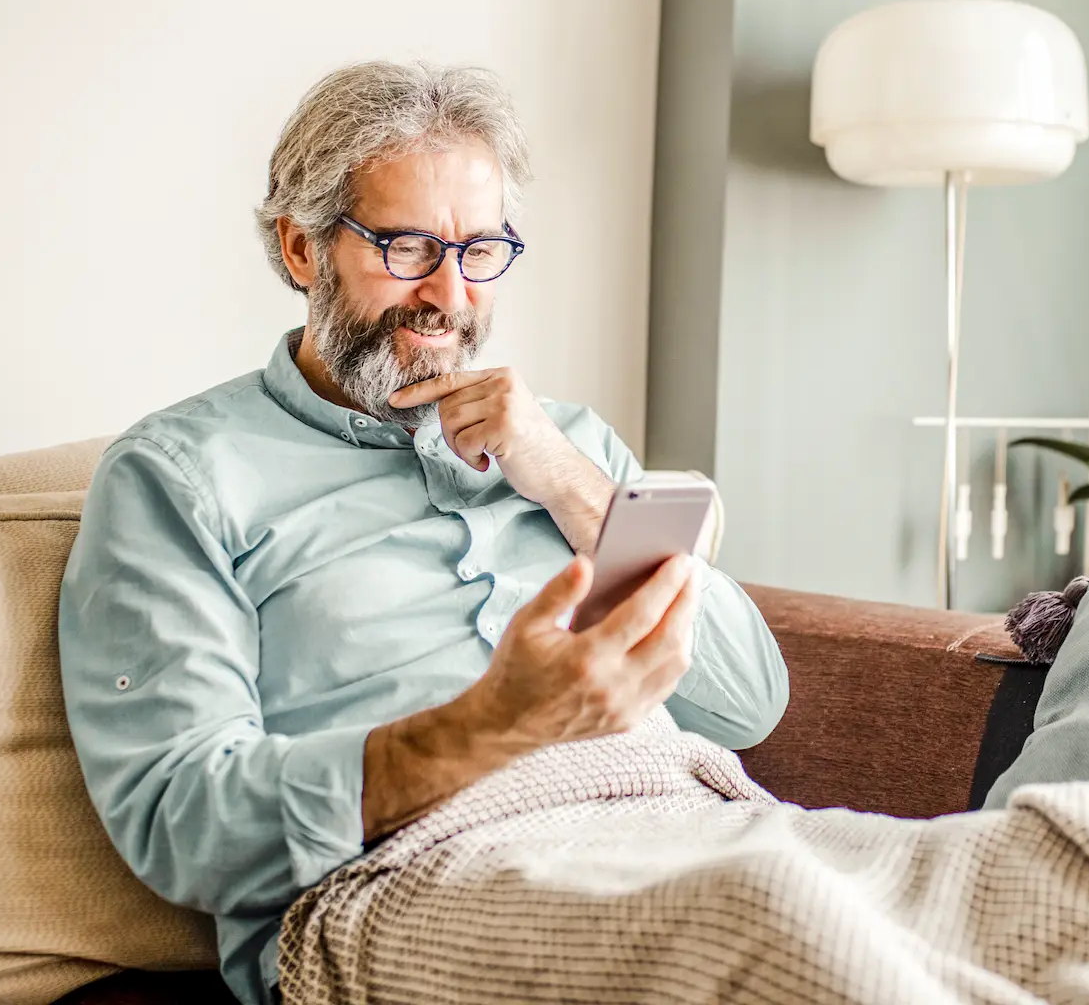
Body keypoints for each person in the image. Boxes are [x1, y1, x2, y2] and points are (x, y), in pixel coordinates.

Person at [58, 62, 789, 1005]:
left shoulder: (567, 443)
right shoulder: (180, 477)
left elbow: (749, 704)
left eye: (480, 250)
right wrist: (492, 726)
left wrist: (566, 479)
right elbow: (182, 820)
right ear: (299, 249)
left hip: (677, 822)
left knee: (1004, 896)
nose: (448, 294)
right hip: (398, 882)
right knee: (777, 948)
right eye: (405, 248)